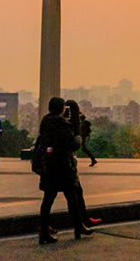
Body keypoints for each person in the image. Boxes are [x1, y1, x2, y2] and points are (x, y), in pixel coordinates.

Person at [37, 96, 90, 244]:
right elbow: (71, 145)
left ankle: (43, 232)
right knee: (71, 198)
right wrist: (78, 140)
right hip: (63, 167)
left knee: (47, 200)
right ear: (61, 108)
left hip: (48, 166)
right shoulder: (63, 124)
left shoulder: (45, 122)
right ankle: (79, 226)